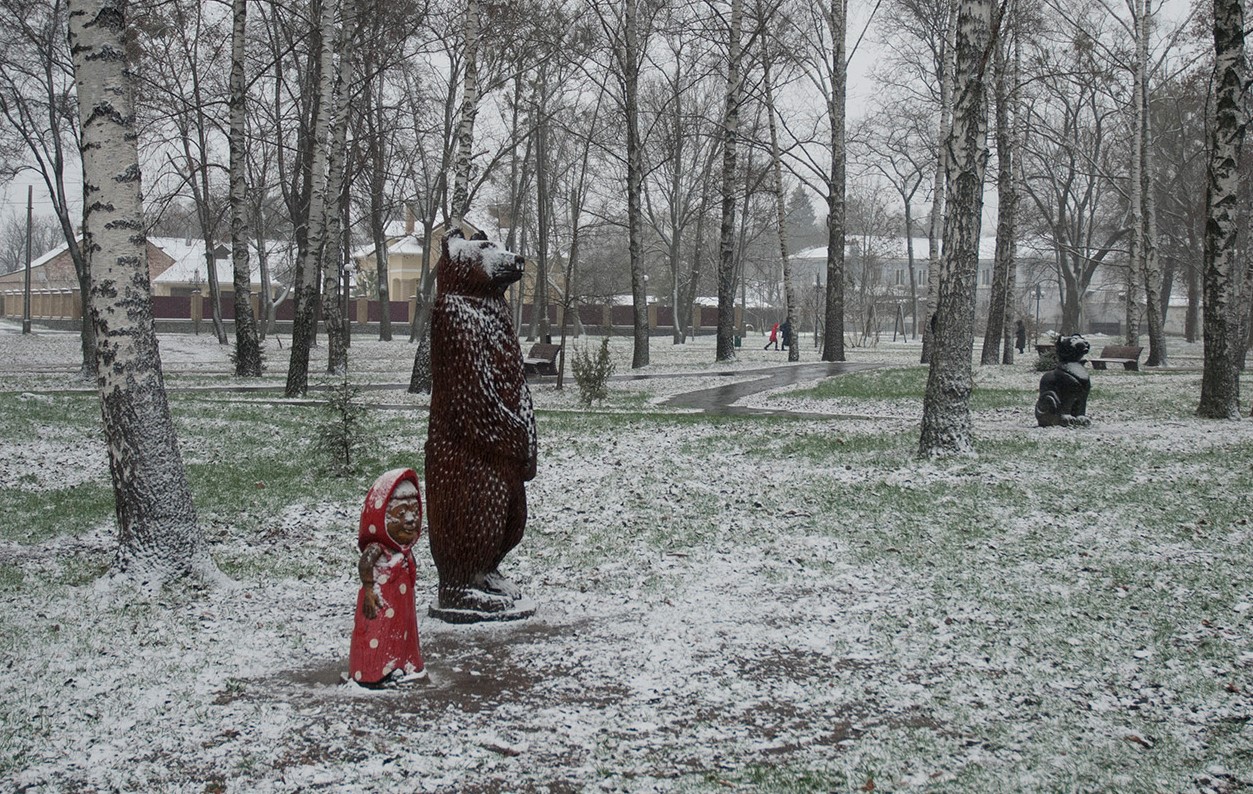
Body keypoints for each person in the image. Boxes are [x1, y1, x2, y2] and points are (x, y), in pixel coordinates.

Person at [348, 468, 427, 687]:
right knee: (379, 632)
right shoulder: (378, 549)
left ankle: (404, 662)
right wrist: (369, 589)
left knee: (402, 633)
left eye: (414, 511)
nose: (410, 520)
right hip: (380, 602)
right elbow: (365, 563)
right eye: (400, 513)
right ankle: (376, 670)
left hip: (401, 606)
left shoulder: (402, 551)